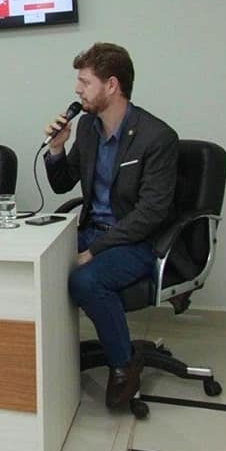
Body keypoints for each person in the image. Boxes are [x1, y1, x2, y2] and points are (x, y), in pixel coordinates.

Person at [44, 42, 178, 410]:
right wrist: (56, 149)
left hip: (135, 241)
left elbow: (151, 213)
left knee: (85, 280)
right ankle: (47, 357)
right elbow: (62, 184)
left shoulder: (157, 137)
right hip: (91, 229)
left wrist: (94, 250)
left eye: (85, 82)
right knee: (37, 261)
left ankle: (123, 364)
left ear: (112, 85)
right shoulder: (88, 128)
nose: (77, 89)